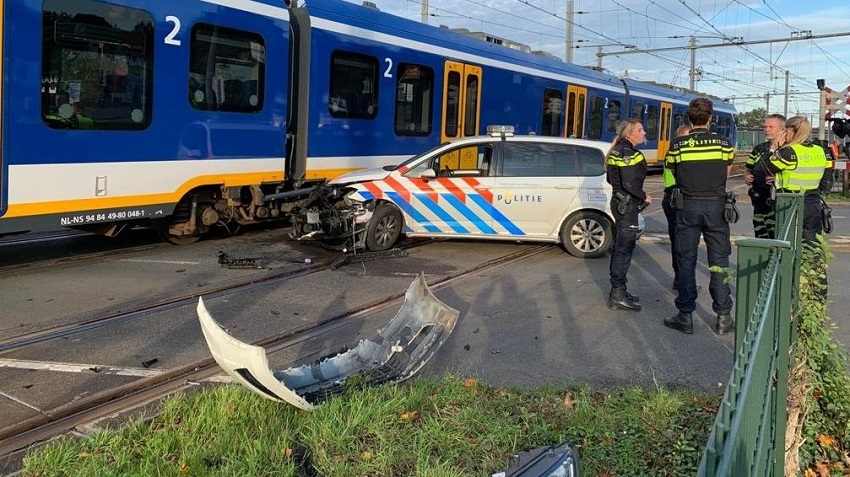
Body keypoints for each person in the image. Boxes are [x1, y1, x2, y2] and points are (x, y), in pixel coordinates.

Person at [663, 97, 735, 335]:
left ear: (689, 119)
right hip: (716, 206)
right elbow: (727, 169)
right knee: (719, 260)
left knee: (686, 260)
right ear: (711, 118)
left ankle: (685, 315)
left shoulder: (678, 145)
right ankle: (723, 316)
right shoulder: (723, 143)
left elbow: (672, 168)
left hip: (688, 206)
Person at [605, 118, 650, 312]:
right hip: (627, 205)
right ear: (630, 133)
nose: (644, 133)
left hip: (619, 202)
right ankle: (617, 295)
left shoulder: (617, 150)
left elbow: (611, 178)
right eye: (640, 130)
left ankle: (620, 290)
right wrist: (644, 196)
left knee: (620, 248)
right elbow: (630, 183)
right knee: (624, 250)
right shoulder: (629, 152)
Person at [766, 116, 834, 245]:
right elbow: (826, 181)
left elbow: (762, 169)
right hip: (813, 202)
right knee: (812, 244)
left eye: (786, 131)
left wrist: (774, 148)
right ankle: (812, 265)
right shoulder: (821, 151)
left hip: (788, 201)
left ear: (792, 132)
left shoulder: (787, 152)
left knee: (787, 244)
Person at [744, 114, 785, 239]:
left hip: (778, 202)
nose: (766, 130)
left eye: (771, 127)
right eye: (765, 127)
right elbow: (748, 169)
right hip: (759, 201)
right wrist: (747, 177)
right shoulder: (759, 149)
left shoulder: (787, 150)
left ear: (782, 129)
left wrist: (778, 178)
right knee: (761, 235)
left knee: (776, 236)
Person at [662, 124, 692, 290]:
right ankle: (680, 278)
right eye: (688, 137)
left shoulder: (674, 152)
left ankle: (680, 277)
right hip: (675, 198)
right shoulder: (675, 154)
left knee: (680, 240)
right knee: (680, 240)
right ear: (680, 137)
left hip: (675, 198)